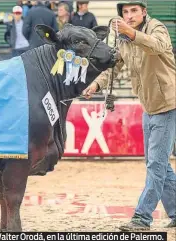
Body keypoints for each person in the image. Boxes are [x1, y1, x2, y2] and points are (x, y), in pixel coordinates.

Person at [83, 0, 176, 231]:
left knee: (156, 164)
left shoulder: (156, 27)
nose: (130, 15)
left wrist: (132, 33)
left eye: (134, 10)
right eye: (125, 12)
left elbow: (159, 47)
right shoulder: (123, 40)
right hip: (149, 107)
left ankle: (142, 218)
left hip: (168, 105)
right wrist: (96, 85)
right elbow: (114, 67)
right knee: (159, 164)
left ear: (144, 12)